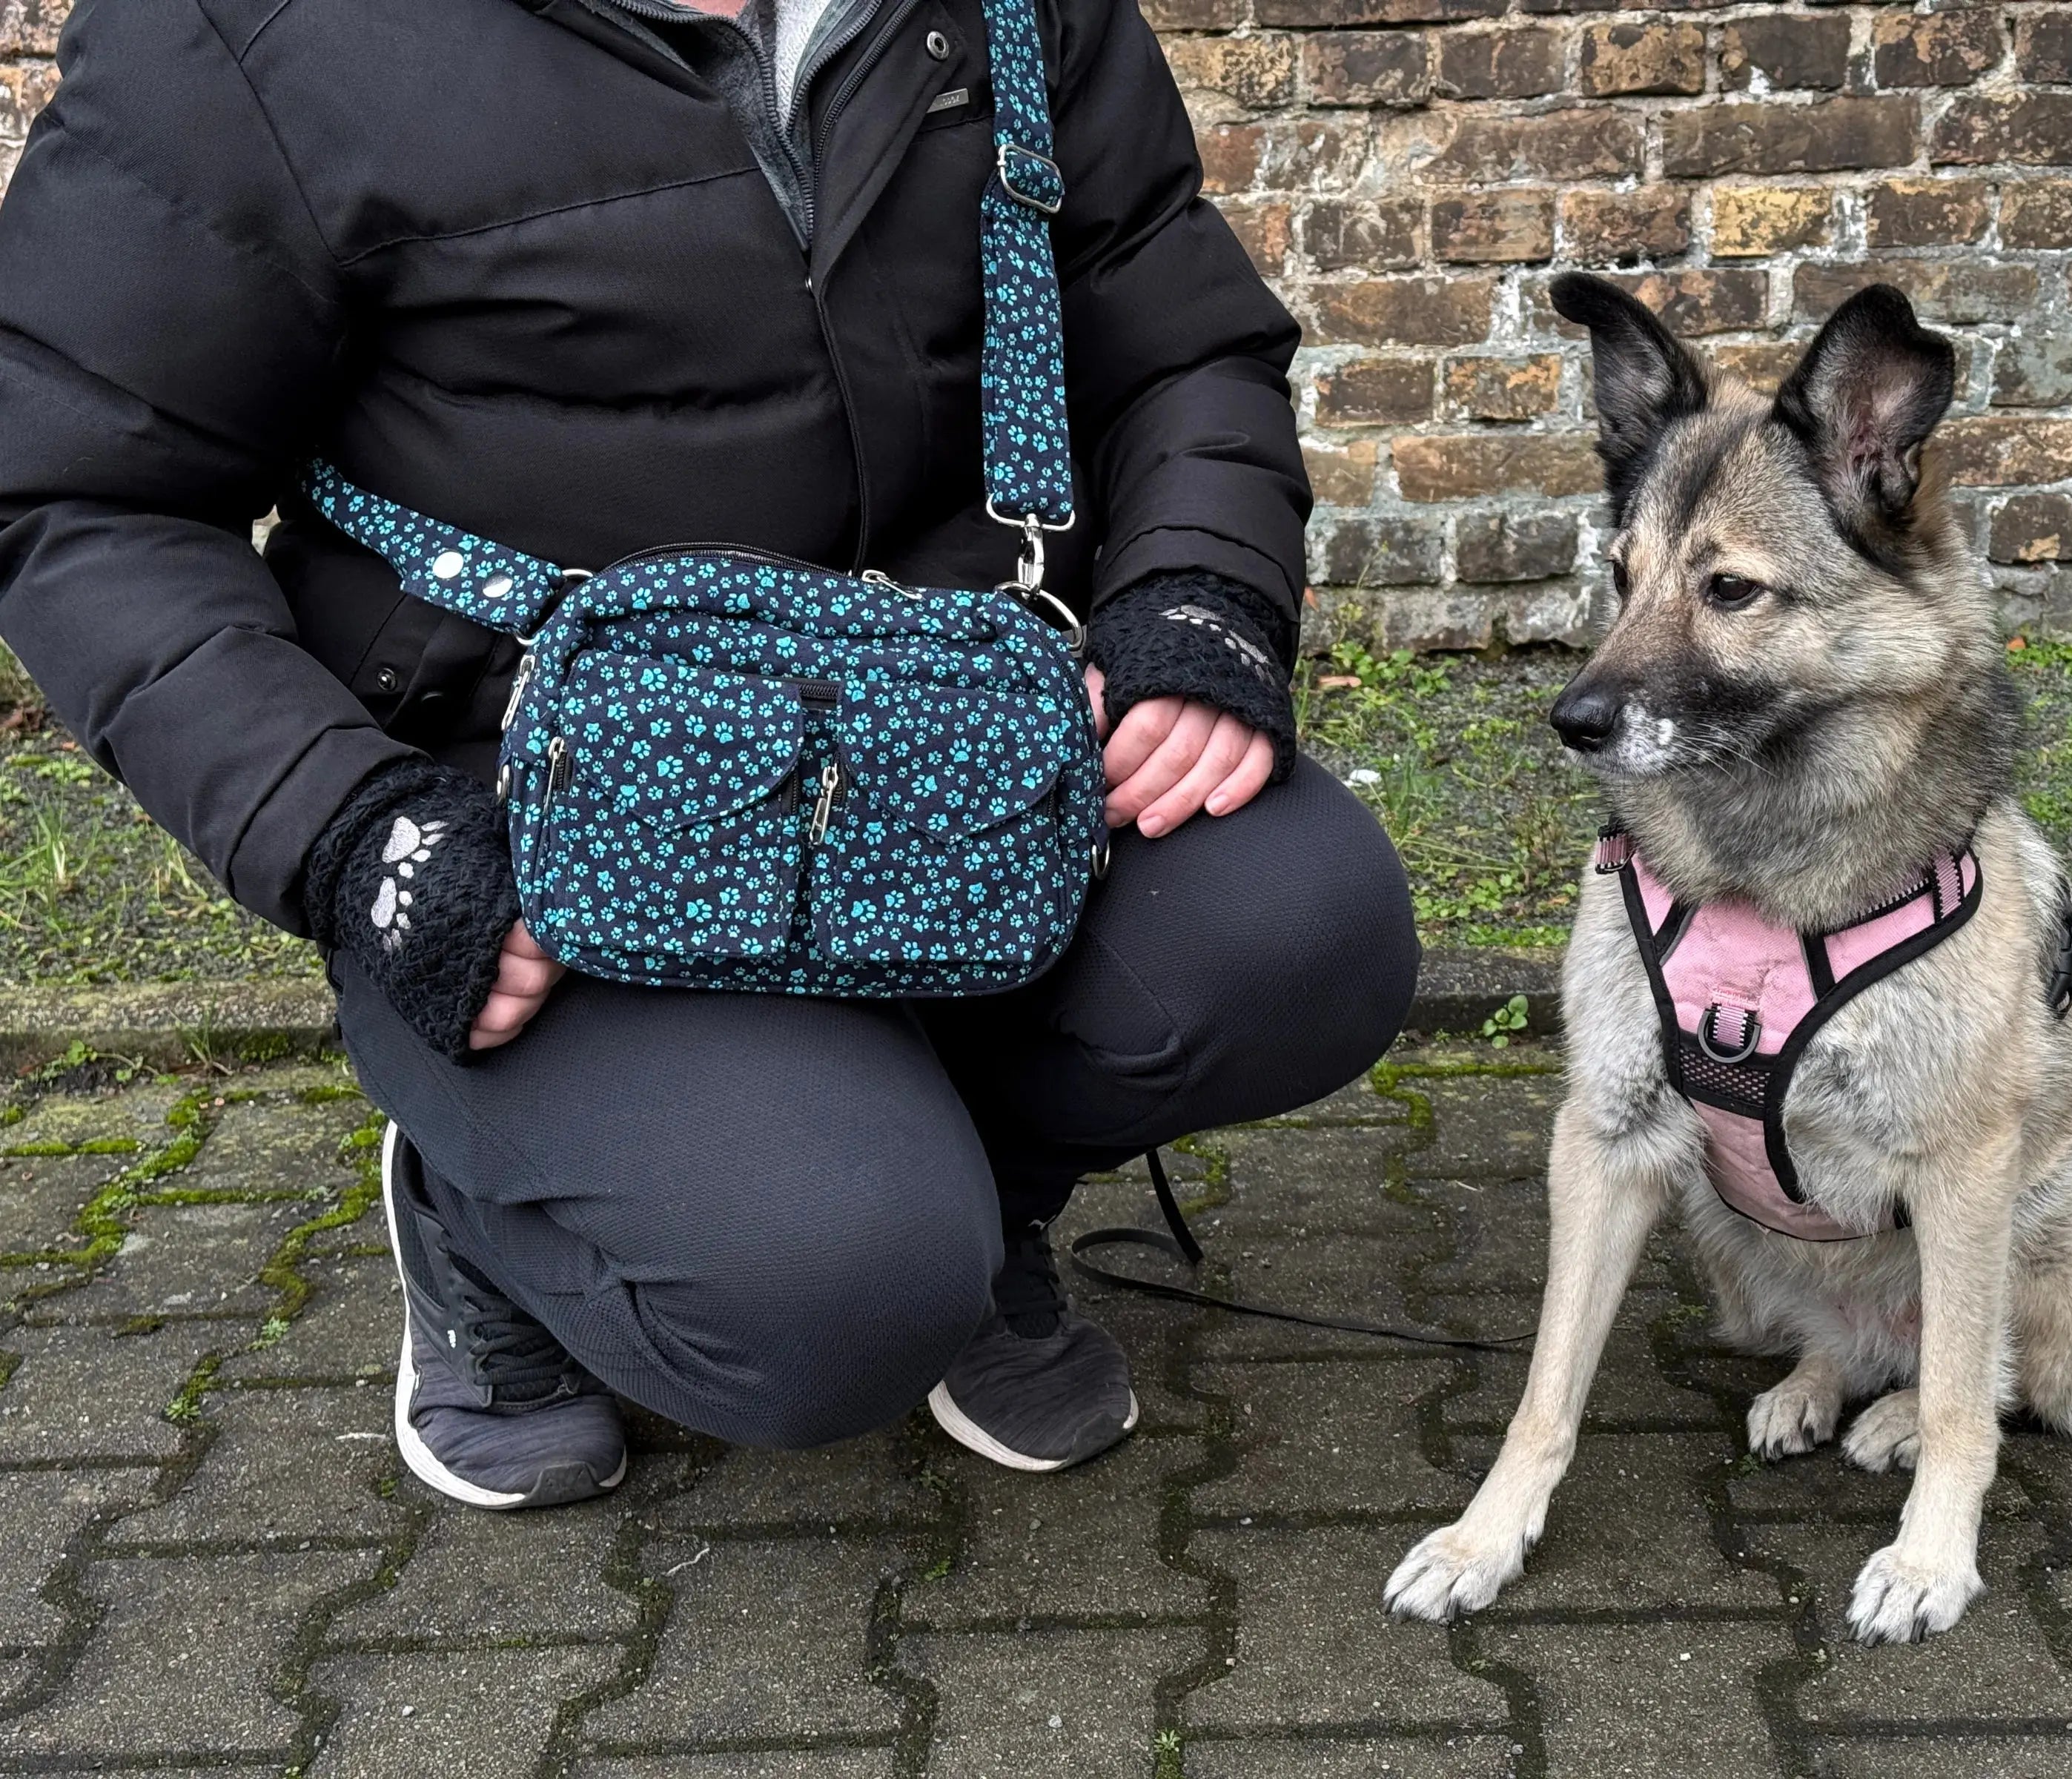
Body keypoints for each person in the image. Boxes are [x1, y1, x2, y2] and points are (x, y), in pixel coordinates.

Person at [0, 0, 1417, 1506]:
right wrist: (355, 835)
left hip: (947, 745)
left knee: (1300, 937)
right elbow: (81, 502)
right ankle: (482, 1225)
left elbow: (1170, 328)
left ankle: (978, 1210)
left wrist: (1198, 590)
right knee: (828, 1292)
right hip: (531, 799)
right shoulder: (240, 32)